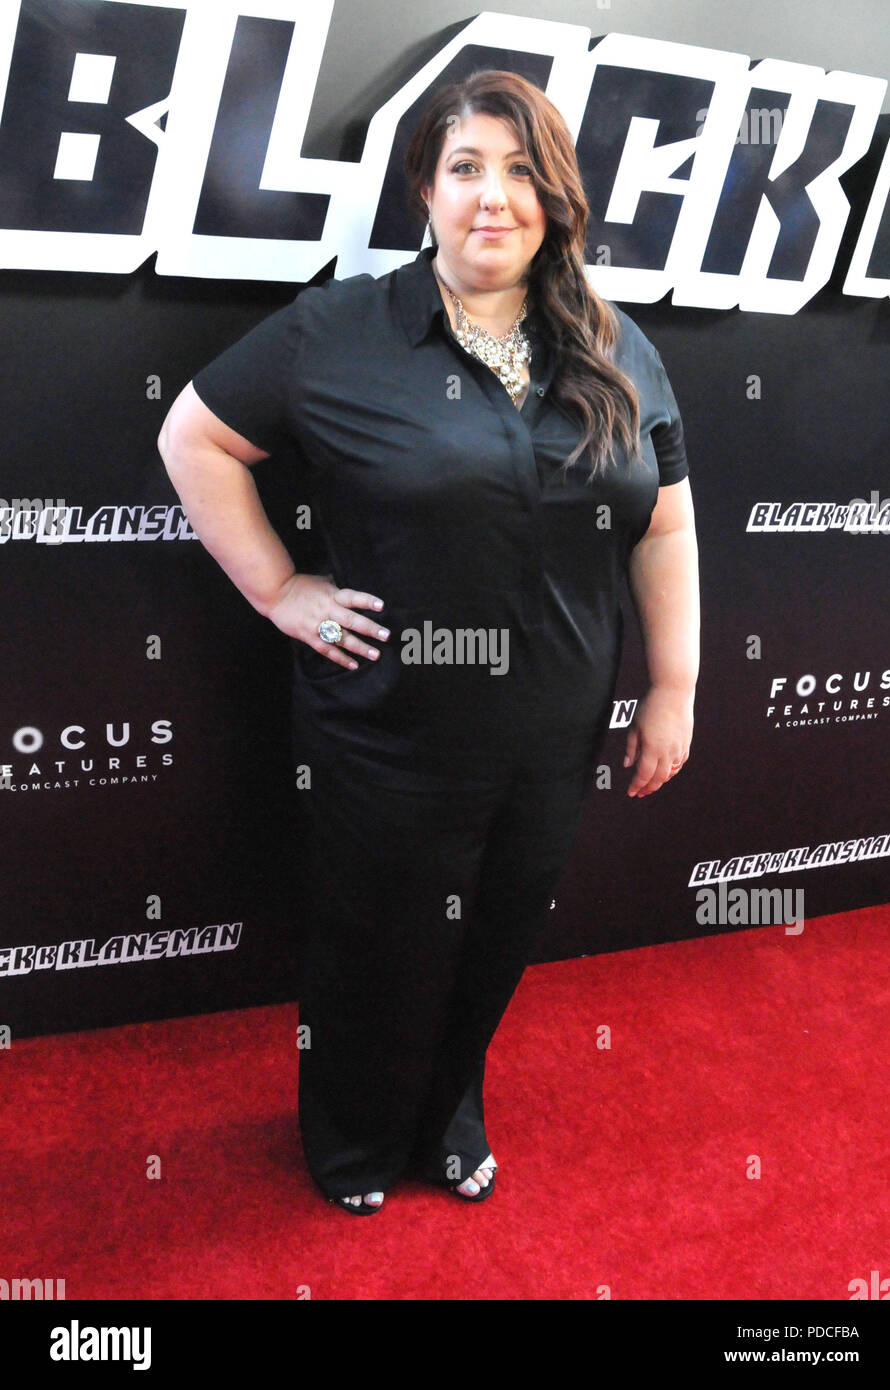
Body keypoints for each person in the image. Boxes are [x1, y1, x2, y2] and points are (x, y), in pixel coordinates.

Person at [157, 69, 699, 1215]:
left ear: (557, 198)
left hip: (552, 732)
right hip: (389, 734)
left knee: (494, 942)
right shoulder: (339, 331)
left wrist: (676, 684)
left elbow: (667, 520)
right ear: (424, 190)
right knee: (374, 955)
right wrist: (277, 587)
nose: (491, 198)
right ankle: (352, 1143)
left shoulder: (616, 345)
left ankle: (450, 1114)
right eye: (465, 169)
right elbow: (193, 438)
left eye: (520, 172)